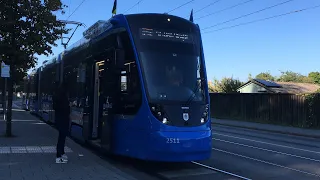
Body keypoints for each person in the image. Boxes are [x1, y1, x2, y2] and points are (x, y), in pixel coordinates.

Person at [53, 81, 71, 163]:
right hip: (63, 119)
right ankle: (59, 156)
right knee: (62, 138)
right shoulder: (63, 97)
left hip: (59, 119)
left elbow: (55, 107)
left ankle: (61, 153)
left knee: (61, 137)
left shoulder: (57, 96)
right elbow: (66, 109)